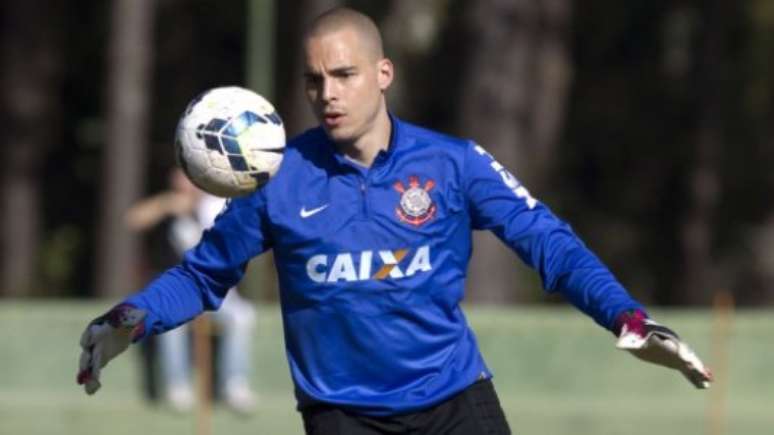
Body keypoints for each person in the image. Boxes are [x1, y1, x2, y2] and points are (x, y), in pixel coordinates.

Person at [77, 7, 712, 434]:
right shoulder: (278, 180)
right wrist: (129, 319)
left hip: (454, 401)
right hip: (341, 415)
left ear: (384, 74)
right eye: (313, 79)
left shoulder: (453, 164)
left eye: (344, 75)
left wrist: (626, 318)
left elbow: (550, 244)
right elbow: (201, 276)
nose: (327, 93)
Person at [124, 168, 258, 413]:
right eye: (180, 180)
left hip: (217, 293)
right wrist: (166, 205)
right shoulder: (167, 208)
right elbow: (133, 220)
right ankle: (178, 386)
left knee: (242, 316)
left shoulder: (217, 206)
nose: (185, 185)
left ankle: (234, 385)